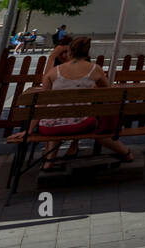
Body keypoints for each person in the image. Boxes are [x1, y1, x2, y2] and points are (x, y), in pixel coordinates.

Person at [21, 36, 132, 171]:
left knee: (57, 116)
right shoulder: (95, 69)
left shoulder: (53, 72)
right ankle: (126, 153)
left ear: (70, 52)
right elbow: (108, 93)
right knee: (98, 128)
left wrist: (29, 130)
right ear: (87, 53)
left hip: (49, 127)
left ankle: (49, 162)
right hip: (81, 124)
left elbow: (41, 104)